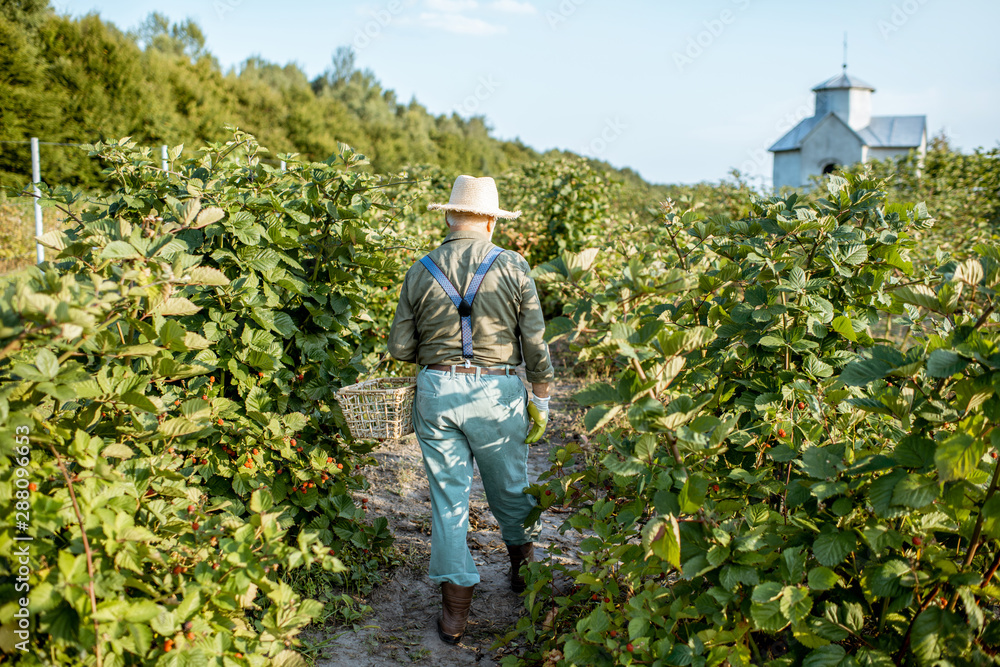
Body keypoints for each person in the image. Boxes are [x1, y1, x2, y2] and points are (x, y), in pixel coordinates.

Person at [387, 175, 554, 645]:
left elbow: (400, 347)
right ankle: (523, 570)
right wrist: (539, 396)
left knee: (447, 500)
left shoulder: (421, 269)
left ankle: (455, 612)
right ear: (490, 221)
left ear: (448, 215)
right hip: (497, 393)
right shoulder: (514, 265)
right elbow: (535, 343)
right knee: (510, 488)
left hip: (437, 391)